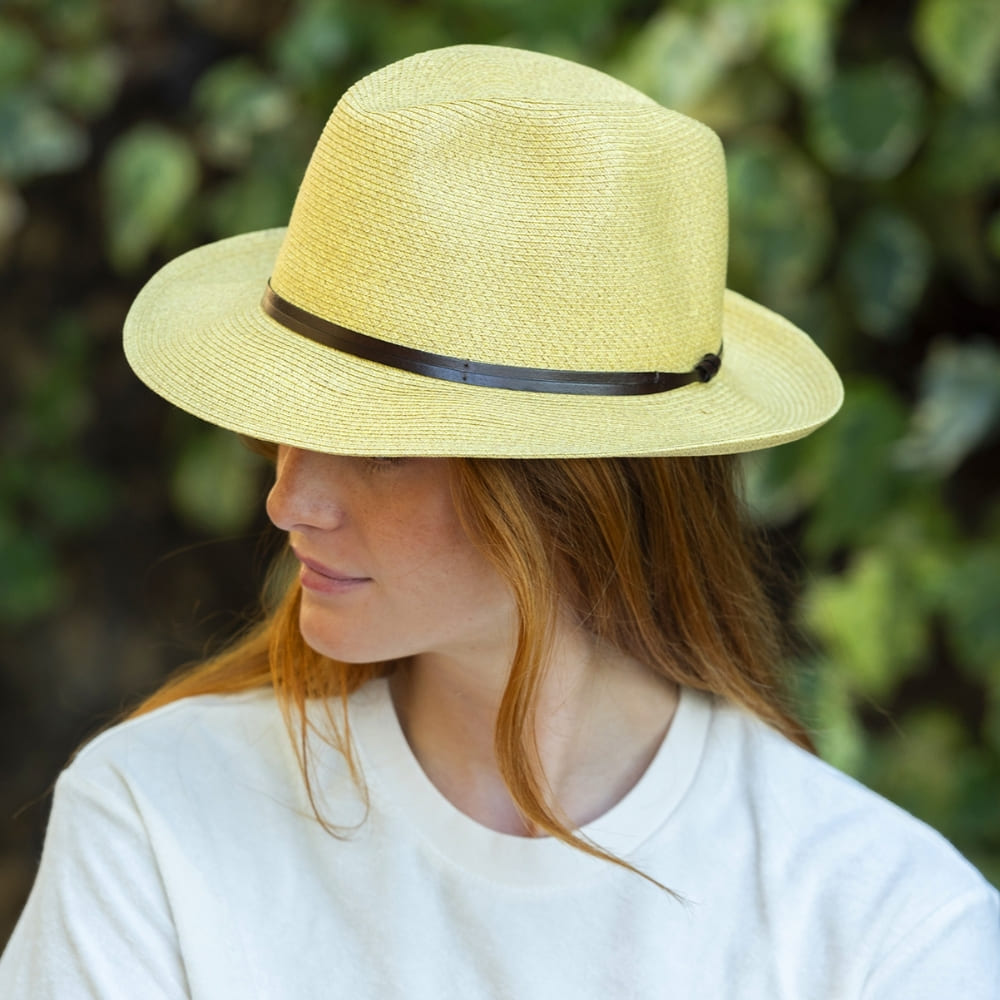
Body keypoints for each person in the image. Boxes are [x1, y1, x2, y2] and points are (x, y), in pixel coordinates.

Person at [1, 44, 997, 999]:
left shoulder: (883, 927)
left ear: (571, 488)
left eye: (380, 445)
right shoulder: (159, 822)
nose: (287, 500)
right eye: (288, 431)